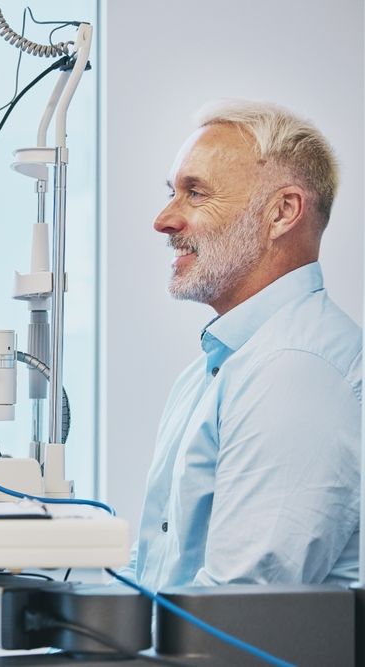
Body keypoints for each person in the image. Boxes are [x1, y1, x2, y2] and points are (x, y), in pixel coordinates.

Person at [127, 99, 361, 591]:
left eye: (195, 193)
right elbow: (155, 574)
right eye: (173, 192)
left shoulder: (294, 370)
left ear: (282, 212)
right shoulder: (215, 369)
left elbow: (240, 614)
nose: (164, 220)